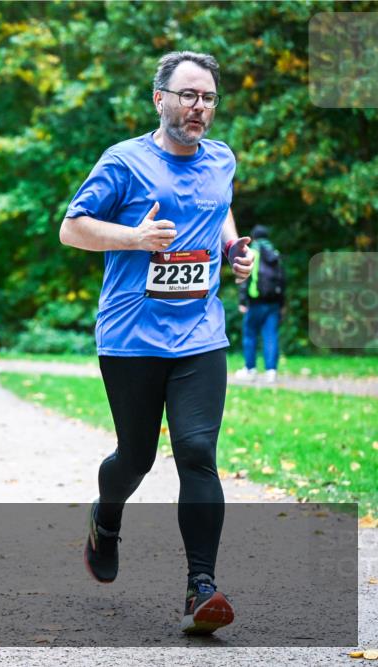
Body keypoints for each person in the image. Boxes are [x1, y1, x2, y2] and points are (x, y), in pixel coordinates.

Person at [59, 51, 253, 635]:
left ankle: (201, 587)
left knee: (197, 453)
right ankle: (106, 517)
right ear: (160, 99)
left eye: (209, 98)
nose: (200, 108)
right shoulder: (124, 161)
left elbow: (219, 207)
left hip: (199, 334)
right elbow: (73, 227)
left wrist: (231, 249)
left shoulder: (221, 158)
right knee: (137, 455)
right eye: (189, 95)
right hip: (130, 336)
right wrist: (135, 237)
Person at [236, 224, 285, 383]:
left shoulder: (253, 252)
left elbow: (245, 277)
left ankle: (250, 369)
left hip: (255, 302)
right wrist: (282, 303)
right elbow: (283, 280)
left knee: (250, 334)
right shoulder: (275, 253)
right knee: (270, 335)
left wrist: (243, 300)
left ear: (254, 236)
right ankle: (271, 371)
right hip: (273, 302)